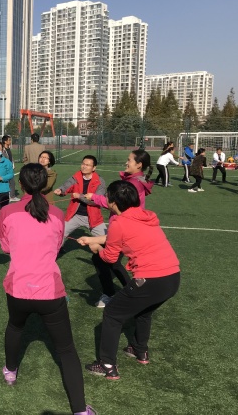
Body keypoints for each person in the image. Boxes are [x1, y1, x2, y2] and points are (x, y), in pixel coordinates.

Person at [0, 164, 95, 415]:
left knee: (15, 326)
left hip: (18, 288)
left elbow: (6, 247)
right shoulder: (57, 214)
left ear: (21, 184)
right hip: (49, 291)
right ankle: (79, 410)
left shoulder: (7, 211)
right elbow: (56, 244)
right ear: (45, 185)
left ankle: (10, 370)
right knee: (66, 349)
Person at [78, 180, 180, 380]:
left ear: (113, 202)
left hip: (150, 279)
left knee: (112, 314)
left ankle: (107, 365)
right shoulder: (144, 215)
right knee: (143, 312)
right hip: (172, 278)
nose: (105, 199)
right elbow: (121, 237)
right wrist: (92, 239)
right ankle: (139, 350)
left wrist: (97, 249)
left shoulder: (118, 222)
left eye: (107, 196)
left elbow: (110, 257)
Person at [79, 150, 153, 308]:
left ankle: (119, 294)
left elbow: (116, 204)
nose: (126, 162)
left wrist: (94, 197)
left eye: (129, 160)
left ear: (139, 165)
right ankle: (126, 293)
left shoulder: (134, 183)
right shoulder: (135, 180)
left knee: (107, 261)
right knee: (107, 261)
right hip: (125, 226)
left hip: (124, 227)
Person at [54, 155, 106, 249]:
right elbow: (67, 186)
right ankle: (54, 252)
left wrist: (80, 196)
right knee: (59, 234)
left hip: (93, 217)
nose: (84, 166)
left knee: (107, 239)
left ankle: (109, 256)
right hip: (74, 215)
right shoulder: (76, 177)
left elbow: (97, 201)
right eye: (83, 164)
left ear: (94, 168)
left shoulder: (100, 181)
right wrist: (60, 190)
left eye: (87, 165)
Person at [2, 135, 19, 201]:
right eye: (9, 140)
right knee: (6, 182)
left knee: (12, 182)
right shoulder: (2, 150)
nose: (10, 141)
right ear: (5, 141)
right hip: (5, 169)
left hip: (10, 168)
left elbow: (11, 158)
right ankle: (8, 196)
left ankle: (12, 196)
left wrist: (13, 165)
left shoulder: (8, 149)